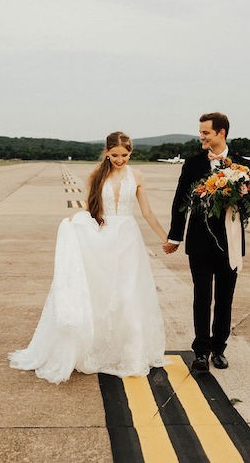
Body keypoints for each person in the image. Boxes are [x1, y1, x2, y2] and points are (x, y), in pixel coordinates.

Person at [10, 131, 168, 383]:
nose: (120, 159)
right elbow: (89, 207)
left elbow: (147, 211)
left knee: (128, 294)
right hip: (101, 238)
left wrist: (165, 237)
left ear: (131, 153)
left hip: (128, 239)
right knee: (102, 294)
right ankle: (97, 347)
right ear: (107, 152)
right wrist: (73, 222)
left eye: (124, 155)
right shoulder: (97, 175)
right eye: (114, 155)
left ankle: (132, 354)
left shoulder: (137, 175)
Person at [163, 112, 250, 372]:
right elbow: (180, 201)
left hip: (230, 242)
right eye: (200, 132)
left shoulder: (243, 165)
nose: (201, 137)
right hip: (200, 242)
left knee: (225, 299)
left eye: (206, 133)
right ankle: (201, 351)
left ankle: (219, 349)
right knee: (201, 297)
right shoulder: (193, 163)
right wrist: (175, 236)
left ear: (221, 133)